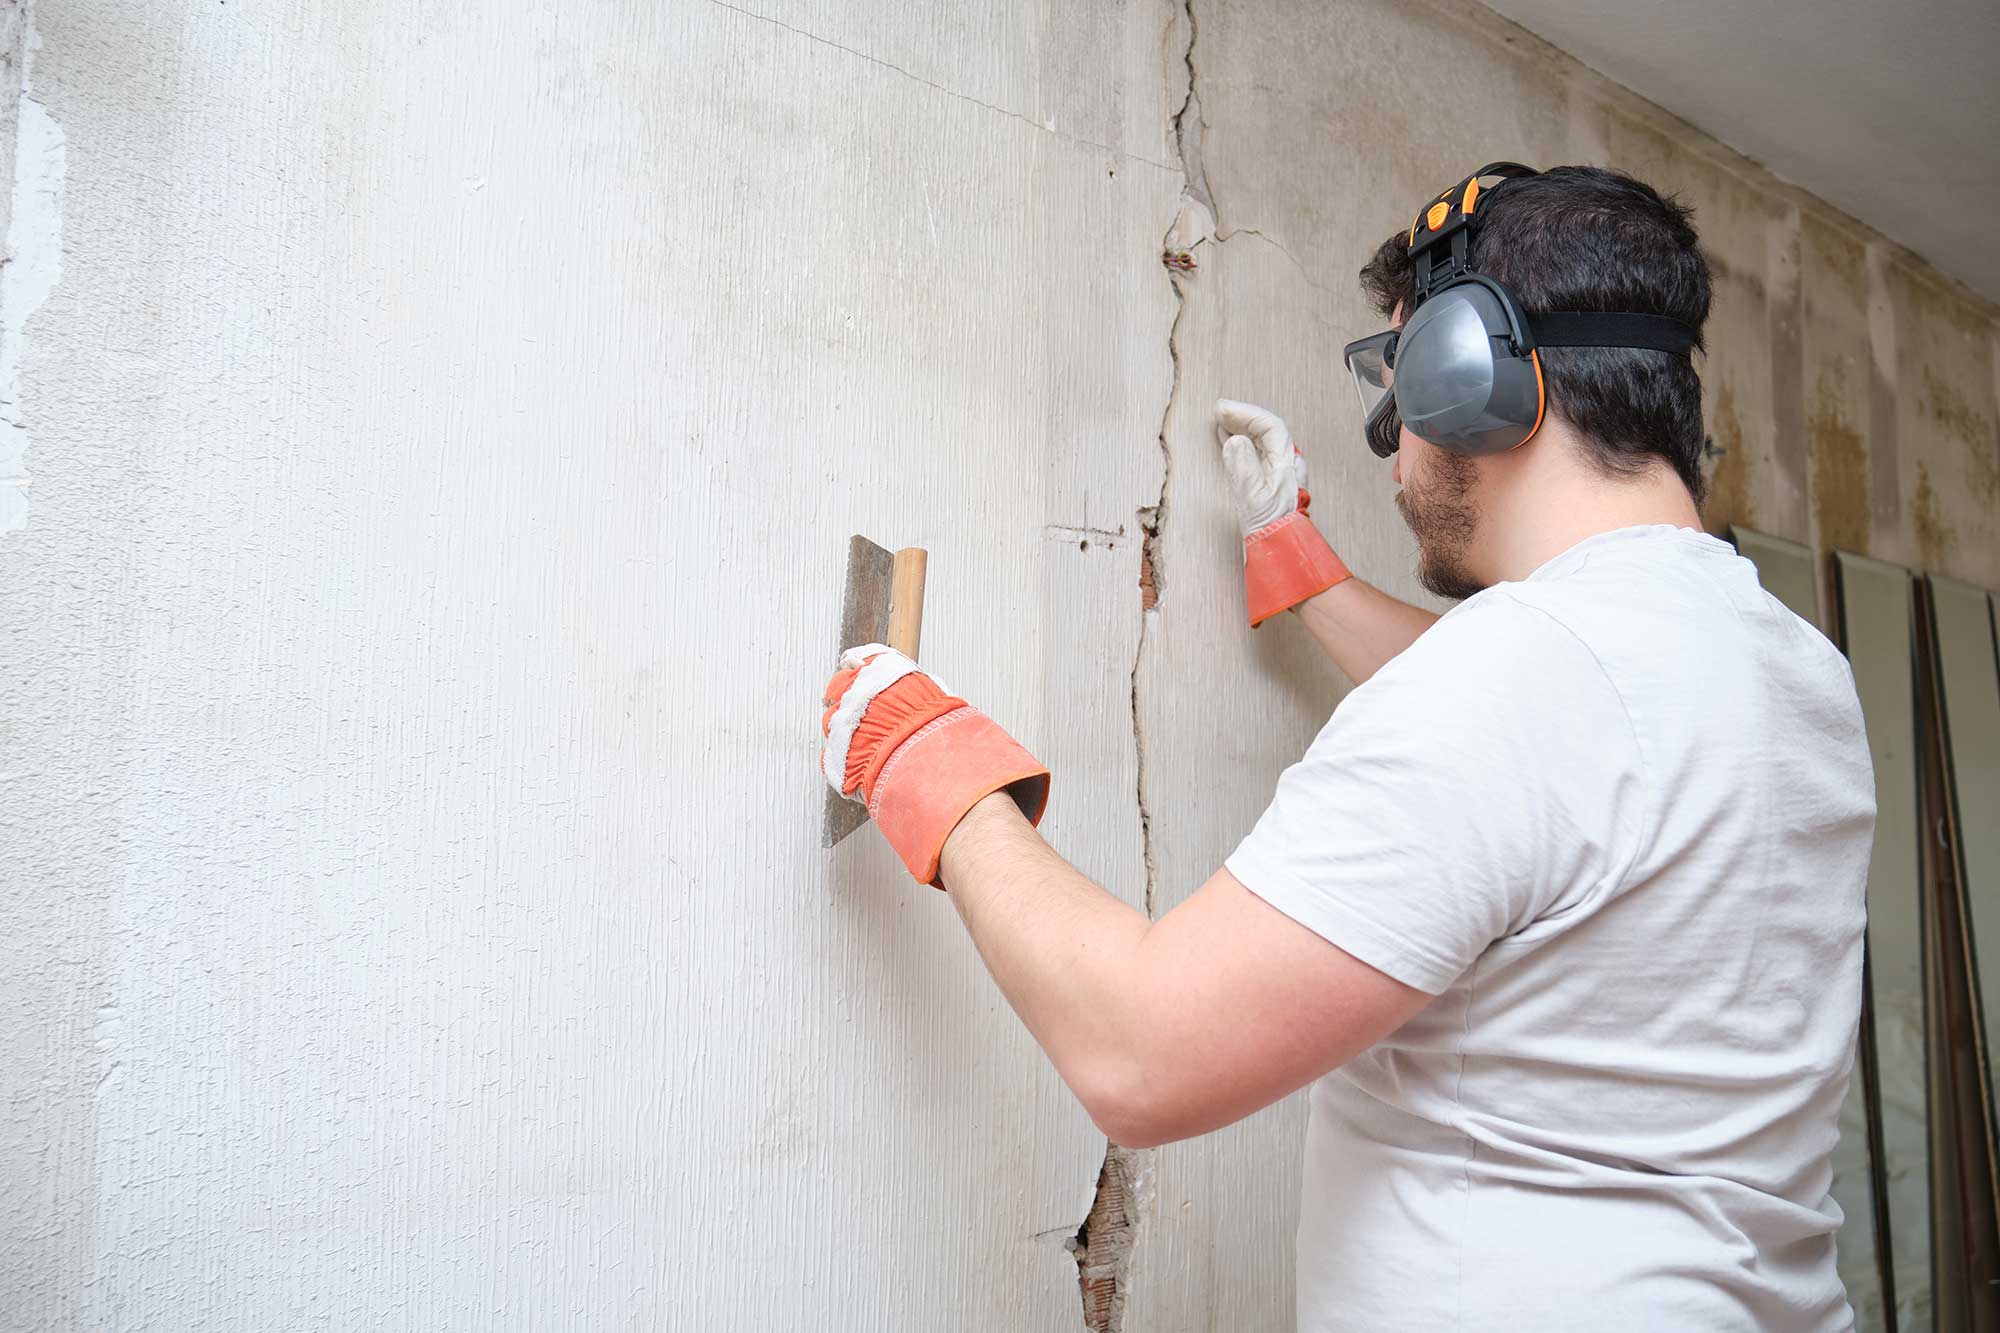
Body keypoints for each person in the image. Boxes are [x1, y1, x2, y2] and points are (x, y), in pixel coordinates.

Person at [816, 164, 1875, 1329]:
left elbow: (1139, 1054)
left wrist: (931, 765)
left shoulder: (1519, 682)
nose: (1393, 448)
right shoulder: (1784, 664)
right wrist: (1296, 561)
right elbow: (1562, 763)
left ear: (1466, 376)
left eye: (1396, 379)